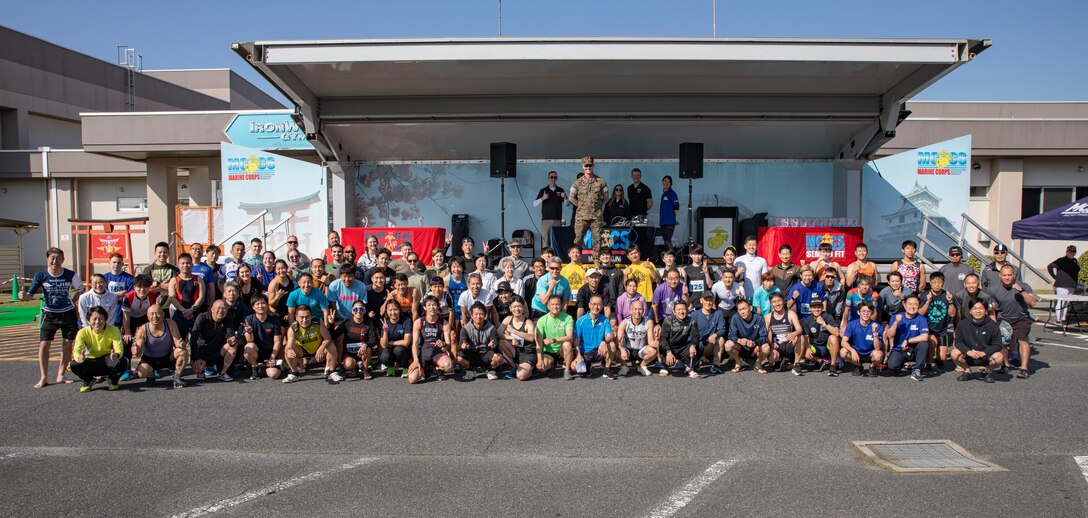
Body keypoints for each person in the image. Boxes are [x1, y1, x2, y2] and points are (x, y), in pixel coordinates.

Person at [19, 247, 83, 388]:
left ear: (63, 260)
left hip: (68, 313)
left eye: (59, 258)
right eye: (52, 258)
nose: (55, 261)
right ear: (47, 259)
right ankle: (44, 377)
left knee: (67, 344)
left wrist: (72, 301)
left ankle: (61, 374)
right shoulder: (40, 275)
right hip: (49, 314)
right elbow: (29, 296)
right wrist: (23, 296)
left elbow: (80, 289)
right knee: (44, 345)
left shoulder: (70, 274)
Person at [988, 264, 1036, 379]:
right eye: (1004, 275)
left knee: (1022, 339)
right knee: (1002, 342)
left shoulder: (1023, 286)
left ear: (1014, 275)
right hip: (1003, 318)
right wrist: (994, 322)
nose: (1007, 277)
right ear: (1000, 276)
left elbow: (1032, 303)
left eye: (1009, 275)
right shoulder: (993, 289)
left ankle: (1024, 369)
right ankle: (1005, 365)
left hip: (1021, 317)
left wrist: (1021, 291)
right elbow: (991, 308)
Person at [68, 306, 127, 392]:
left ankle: (113, 379)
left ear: (106, 320)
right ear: (88, 321)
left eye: (101, 319)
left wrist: (116, 355)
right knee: (74, 365)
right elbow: (77, 350)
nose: (97, 322)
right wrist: (78, 358)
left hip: (107, 360)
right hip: (91, 360)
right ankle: (88, 380)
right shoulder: (82, 332)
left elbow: (119, 348)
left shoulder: (114, 330)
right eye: (94, 319)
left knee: (123, 361)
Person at [133, 304, 190, 388]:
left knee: (182, 352)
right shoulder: (143, 329)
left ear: (163, 314)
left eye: (158, 313)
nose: (155, 316)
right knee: (141, 373)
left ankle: (177, 378)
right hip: (150, 360)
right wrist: (136, 349)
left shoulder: (171, 324)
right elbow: (138, 349)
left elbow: (177, 342)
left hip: (167, 357)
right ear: (147, 316)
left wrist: (181, 344)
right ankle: (151, 376)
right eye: (152, 314)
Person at [283, 304, 339, 383]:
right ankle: (294, 373)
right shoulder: (292, 328)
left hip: (318, 348)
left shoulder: (318, 322)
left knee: (331, 346)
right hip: (302, 351)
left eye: (307, 316)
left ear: (311, 316)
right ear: (296, 317)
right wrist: (288, 350)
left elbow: (328, 338)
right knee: (288, 351)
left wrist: (321, 348)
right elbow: (289, 346)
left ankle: (332, 371)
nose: (305, 320)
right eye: (302, 317)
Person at [952, 299, 1004, 383]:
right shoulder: (962, 324)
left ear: (986, 311)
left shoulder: (993, 325)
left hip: (985, 356)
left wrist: (984, 352)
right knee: (954, 353)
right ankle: (967, 371)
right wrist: (968, 351)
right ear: (970, 311)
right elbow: (958, 342)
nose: (978, 311)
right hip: (969, 355)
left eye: (981, 308)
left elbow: (998, 345)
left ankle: (987, 371)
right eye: (975, 308)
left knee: (999, 357)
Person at [189, 300, 240, 382]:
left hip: (217, 352)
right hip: (202, 352)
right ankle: (202, 369)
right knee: (198, 369)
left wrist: (232, 341)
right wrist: (196, 358)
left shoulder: (228, 318)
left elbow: (230, 335)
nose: (221, 311)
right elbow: (193, 338)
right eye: (218, 308)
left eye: (224, 309)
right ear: (212, 309)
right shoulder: (202, 317)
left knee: (233, 347)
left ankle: (223, 373)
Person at [457, 302, 509, 380]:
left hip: (486, 353)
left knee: (499, 357)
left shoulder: (491, 327)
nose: (478, 317)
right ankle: (470, 370)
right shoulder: (465, 328)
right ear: (471, 315)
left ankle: (490, 370)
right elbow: (461, 343)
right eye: (476, 314)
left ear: (485, 315)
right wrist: (463, 345)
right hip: (472, 354)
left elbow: (494, 340)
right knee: (458, 357)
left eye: (481, 314)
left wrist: (493, 344)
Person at [409, 296, 455, 383]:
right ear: (424, 307)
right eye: (429, 305)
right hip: (423, 354)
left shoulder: (444, 323)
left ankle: (437, 368)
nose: (432, 307)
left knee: (448, 366)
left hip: (437, 353)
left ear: (438, 306)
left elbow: (448, 345)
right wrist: (415, 360)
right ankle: (427, 370)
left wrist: (443, 344)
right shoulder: (418, 322)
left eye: (434, 305)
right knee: (412, 379)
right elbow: (414, 343)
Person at [885, 295, 931, 381]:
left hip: (914, 348)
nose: (912, 307)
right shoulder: (896, 317)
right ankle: (900, 364)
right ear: (905, 305)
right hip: (899, 348)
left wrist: (908, 340)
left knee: (924, 345)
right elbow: (890, 335)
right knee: (892, 365)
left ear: (918, 306)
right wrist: (896, 322)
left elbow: (925, 337)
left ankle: (917, 370)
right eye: (910, 304)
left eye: (915, 304)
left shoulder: (921, 319)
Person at [239, 293, 284, 380]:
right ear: (253, 307)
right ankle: (255, 367)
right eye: (257, 304)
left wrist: (272, 357)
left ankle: (262, 369)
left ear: (267, 305)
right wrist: (249, 331)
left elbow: (277, 341)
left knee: (274, 374)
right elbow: (249, 340)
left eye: (263, 303)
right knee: (249, 347)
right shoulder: (249, 319)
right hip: (256, 353)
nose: (260, 306)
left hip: (270, 354)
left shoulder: (274, 320)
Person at [120, 274, 157, 379]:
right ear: (134, 287)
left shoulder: (153, 296)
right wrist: (127, 332)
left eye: (145, 287)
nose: (142, 290)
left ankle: (151, 367)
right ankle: (126, 369)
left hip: (145, 317)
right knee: (126, 342)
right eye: (139, 287)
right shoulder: (127, 297)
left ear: (149, 287)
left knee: (151, 341)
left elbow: (153, 315)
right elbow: (126, 318)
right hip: (131, 318)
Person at [569, 156, 608, 253]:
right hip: (581, 217)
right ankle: (576, 259)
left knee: (597, 240)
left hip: (596, 217)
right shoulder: (577, 182)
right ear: (583, 166)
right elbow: (571, 197)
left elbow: (606, 198)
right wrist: (581, 206)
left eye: (590, 165)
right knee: (578, 240)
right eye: (586, 166)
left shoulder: (600, 182)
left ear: (593, 166)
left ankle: (596, 260)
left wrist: (598, 207)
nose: (588, 168)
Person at [572, 294, 616, 379]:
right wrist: (578, 355)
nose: (596, 307)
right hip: (585, 352)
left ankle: (607, 369)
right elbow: (576, 339)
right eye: (594, 304)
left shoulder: (605, 320)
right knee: (574, 367)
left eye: (599, 304)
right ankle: (588, 366)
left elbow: (610, 336)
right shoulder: (580, 321)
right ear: (589, 305)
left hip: (599, 351)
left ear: (602, 306)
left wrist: (604, 341)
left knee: (612, 345)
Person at [918, 271, 955, 371]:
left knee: (942, 357)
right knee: (933, 342)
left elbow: (952, 314)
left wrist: (950, 302)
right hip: (928, 329)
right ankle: (928, 364)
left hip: (942, 330)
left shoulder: (947, 295)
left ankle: (938, 361)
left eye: (939, 282)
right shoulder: (924, 295)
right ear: (930, 283)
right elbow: (920, 313)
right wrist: (928, 302)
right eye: (934, 282)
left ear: (943, 283)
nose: (937, 285)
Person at [658, 300, 702, 378]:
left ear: (687, 310)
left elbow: (696, 336)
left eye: (684, 309)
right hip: (670, 347)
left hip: (683, 347)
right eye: (678, 309)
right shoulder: (667, 320)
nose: (681, 312)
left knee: (699, 346)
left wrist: (693, 345)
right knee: (662, 345)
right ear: (674, 312)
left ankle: (689, 368)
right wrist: (668, 352)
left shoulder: (691, 321)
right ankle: (664, 366)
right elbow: (663, 338)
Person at [839, 302, 884, 377]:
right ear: (858, 312)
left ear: (872, 313)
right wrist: (852, 350)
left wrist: (875, 333)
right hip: (856, 352)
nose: (866, 314)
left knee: (879, 355)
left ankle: (872, 367)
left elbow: (877, 348)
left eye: (869, 311)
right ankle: (858, 365)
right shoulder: (852, 324)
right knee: (843, 352)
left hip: (871, 353)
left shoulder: (877, 326)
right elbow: (843, 342)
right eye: (863, 311)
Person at [615, 298, 658, 377]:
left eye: (640, 309)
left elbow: (650, 341)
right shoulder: (624, 323)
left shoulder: (648, 322)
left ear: (643, 310)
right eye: (635, 309)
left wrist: (656, 343)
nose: (637, 312)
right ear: (631, 310)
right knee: (615, 349)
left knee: (653, 351)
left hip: (641, 350)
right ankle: (624, 366)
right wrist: (622, 350)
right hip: (627, 350)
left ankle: (642, 366)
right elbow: (617, 341)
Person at [166, 253, 205, 340]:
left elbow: (201, 297)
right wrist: (183, 310)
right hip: (179, 313)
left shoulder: (198, 279)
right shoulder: (174, 280)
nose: (185, 265)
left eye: (188, 263)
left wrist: (192, 309)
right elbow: (172, 297)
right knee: (178, 340)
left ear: (192, 264)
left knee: (197, 340)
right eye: (182, 263)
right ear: (178, 265)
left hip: (194, 313)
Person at [798, 299, 841, 377]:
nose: (816, 309)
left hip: (828, 347)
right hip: (816, 346)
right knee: (802, 348)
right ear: (810, 309)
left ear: (822, 308)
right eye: (814, 307)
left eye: (819, 307)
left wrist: (824, 323)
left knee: (833, 338)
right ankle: (822, 361)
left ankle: (833, 366)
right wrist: (807, 348)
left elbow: (837, 333)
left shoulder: (827, 316)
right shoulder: (807, 320)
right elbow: (806, 337)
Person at [498, 296, 537, 381]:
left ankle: (532, 368)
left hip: (527, 353)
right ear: (510, 308)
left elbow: (531, 338)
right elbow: (498, 333)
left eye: (519, 306)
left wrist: (514, 331)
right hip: (515, 351)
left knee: (521, 376)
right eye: (514, 307)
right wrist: (511, 337)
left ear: (523, 308)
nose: (517, 309)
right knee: (501, 342)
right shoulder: (508, 319)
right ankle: (514, 366)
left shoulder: (528, 322)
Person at [536, 294, 576, 376]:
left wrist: (554, 340)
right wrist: (539, 360)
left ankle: (567, 370)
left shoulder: (568, 317)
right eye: (552, 304)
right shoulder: (542, 320)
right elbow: (539, 342)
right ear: (548, 306)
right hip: (549, 351)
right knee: (542, 368)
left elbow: (570, 337)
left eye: (557, 304)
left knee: (567, 344)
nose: (555, 307)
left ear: (561, 305)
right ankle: (552, 365)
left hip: (562, 350)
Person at [724, 298, 768, 373]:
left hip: (755, 347)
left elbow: (764, 337)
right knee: (728, 345)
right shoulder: (735, 318)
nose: (742, 312)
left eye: (744, 309)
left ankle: (758, 363)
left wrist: (755, 342)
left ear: (750, 308)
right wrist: (739, 340)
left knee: (766, 347)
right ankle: (738, 362)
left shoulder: (759, 318)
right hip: (741, 347)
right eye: (740, 310)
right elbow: (731, 335)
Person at [765, 293, 803, 374]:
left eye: (779, 301)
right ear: (771, 304)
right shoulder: (768, 317)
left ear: (783, 301)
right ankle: (779, 359)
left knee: (800, 338)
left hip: (789, 344)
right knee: (772, 358)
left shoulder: (790, 313)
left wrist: (794, 333)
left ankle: (796, 364)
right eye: (774, 302)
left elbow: (799, 329)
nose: (777, 304)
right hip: (777, 346)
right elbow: (764, 334)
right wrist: (770, 343)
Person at [692, 293, 726, 374]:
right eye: (706, 300)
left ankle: (716, 365)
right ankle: (696, 361)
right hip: (698, 345)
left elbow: (722, 329)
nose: (708, 302)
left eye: (710, 300)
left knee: (721, 339)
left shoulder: (718, 313)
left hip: (711, 344)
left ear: (713, 301)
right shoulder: (694, 314)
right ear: (701, 301)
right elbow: (691, 333)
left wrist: (715, 335)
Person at [378, 301, 413, 378]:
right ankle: (390, 367)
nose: (393, 313)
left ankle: (406, 367)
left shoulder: (407, 321)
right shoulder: (384, 323)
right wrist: (385, 332)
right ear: (387, 311)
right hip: (390, 350)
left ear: (399, 310)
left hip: (403, 350)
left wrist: (391, 343)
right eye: (390, 310)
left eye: (395, 309)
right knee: (384, 356)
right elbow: (384, 345)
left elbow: (406, 342)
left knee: (398, 350)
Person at [1047, 245, 1080, 322]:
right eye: (1070, 251)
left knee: (1066, 303)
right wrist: (1055, 277)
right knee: (1061, 301)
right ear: (1066, 252)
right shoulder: (1061, 260)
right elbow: (1050, 266)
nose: (1072, 253)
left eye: (1074, 251)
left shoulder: (1075, 261)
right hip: (1062, 285)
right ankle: (1058, 319)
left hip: (1071, 285)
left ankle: (1063, 318)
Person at [535, 171, 566, 249]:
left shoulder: (560, 190)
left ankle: (556, 256)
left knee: (557, 241)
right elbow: (534, 204)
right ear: (548, 178)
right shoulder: (543, 190)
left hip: (557, 219)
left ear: (557, 179)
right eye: (551, 177)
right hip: (546, 220)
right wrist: (543, 198)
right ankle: (545, 256)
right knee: (545, 241)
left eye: (555, 177)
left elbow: (567, 204)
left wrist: (565, 197)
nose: (553, 179)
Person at [103, 253, 134, 327]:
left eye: (119, 262)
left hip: (123, 312)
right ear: (109, 263)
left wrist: (111, 294)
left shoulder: (129, 278)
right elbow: (103, 295)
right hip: (108, 312)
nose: (116, 264)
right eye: (114, 262)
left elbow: (131, 295)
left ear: (122, 264)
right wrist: (121, 293)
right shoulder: (104, 278)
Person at [560, 245, 587, 313]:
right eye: (573, 252)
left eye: (577, 252)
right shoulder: (563, 270)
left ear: (580, 255)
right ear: (569, 254)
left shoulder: (585, 268)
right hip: (567, 302)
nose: (575, 254)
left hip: (581, 301)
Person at [658, 175, 680, 248]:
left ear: (670, 184)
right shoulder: (664, 194)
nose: (666, 183)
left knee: (667, 241)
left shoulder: (672, 193)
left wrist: (673, 218)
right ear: (662, 182)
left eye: (668, 182)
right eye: (665, 181)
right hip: (663, 222)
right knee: (665, 242)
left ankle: (672, 255)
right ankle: (668, 255)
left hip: (669, 222)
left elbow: (676, 205)